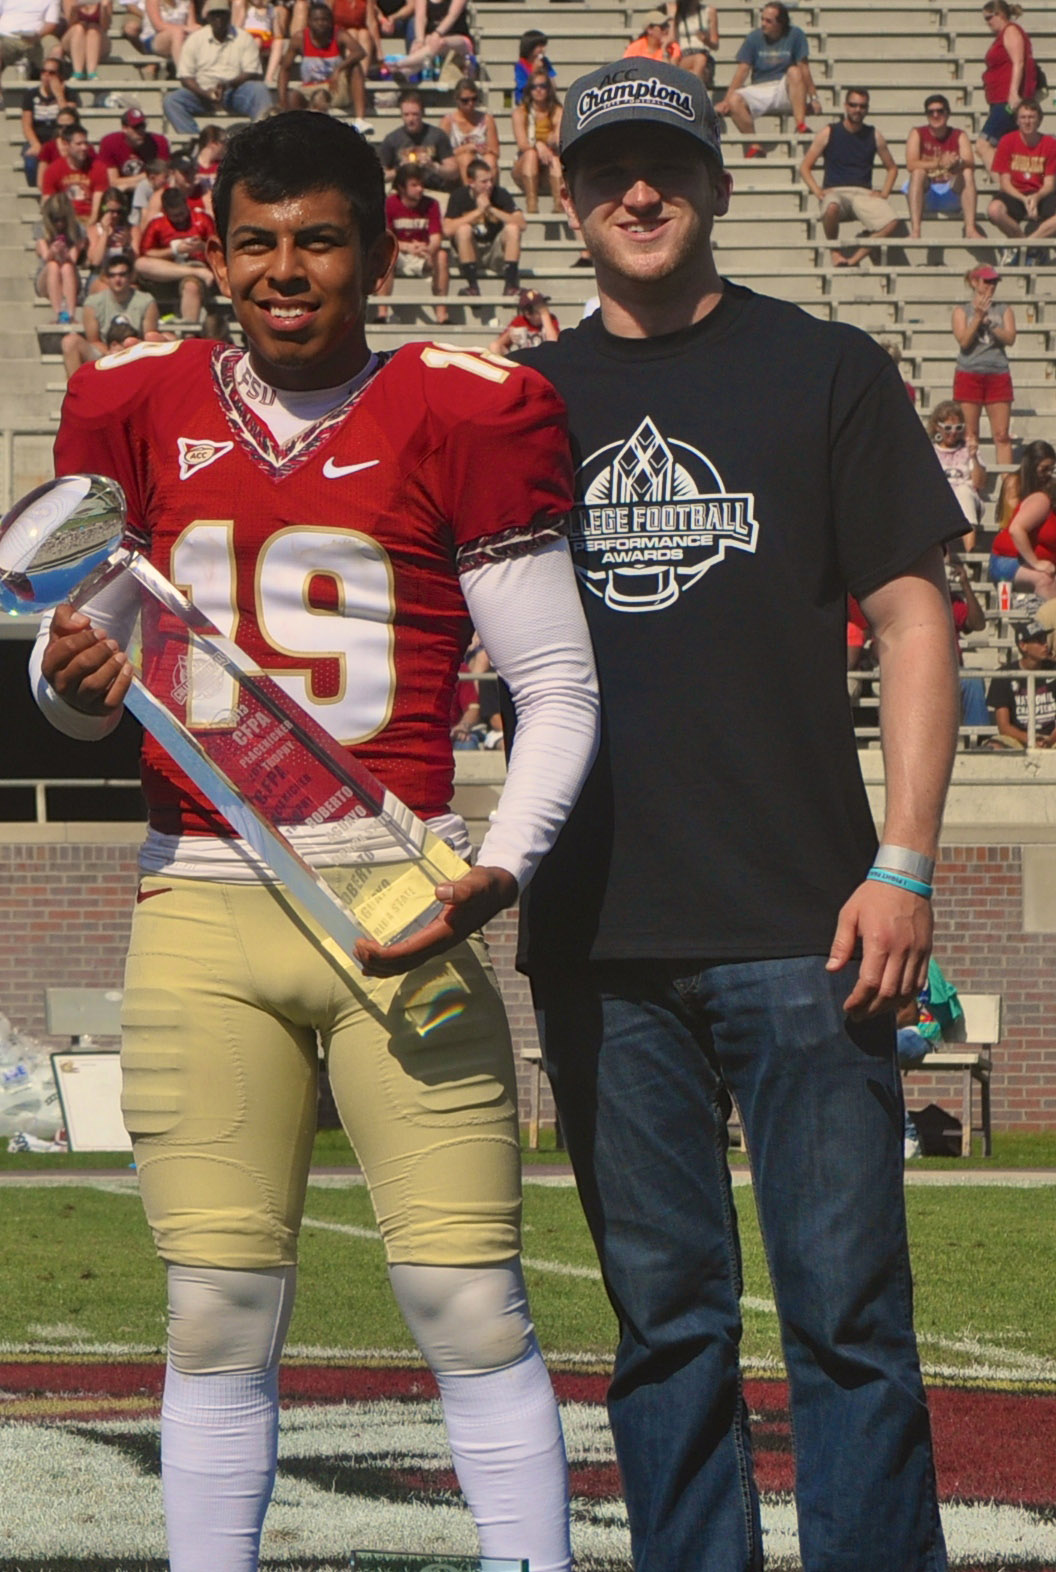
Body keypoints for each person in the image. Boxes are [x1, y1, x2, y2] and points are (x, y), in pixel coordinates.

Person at [33, 108, 595, 1572]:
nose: (286, 271)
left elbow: (557, 685)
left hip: (397, 889)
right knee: (215, 1310)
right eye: (258, 244)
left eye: (319, 242)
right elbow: (82, 687)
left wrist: (500, 867)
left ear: (376, 256)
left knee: (467, 1299)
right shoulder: (139, 402)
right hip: (199, 897)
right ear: (215, 259)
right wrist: (68, 676)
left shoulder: (462, 410)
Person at [517, 58, 961, 1571]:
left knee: (848, 1320)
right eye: (607, 169)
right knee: (663, 1331)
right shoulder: (524, 403)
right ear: (567, 195)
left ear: (715, 182)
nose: (637, 192)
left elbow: (912, 619)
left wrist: (904, 863)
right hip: (597, 931)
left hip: (810, 924)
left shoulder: (826, 368)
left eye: (665, 165)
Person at [800, 88, 903, 266]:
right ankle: (835, 251)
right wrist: (818, 192)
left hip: (863, 193)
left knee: (892, 222)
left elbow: (892, 168)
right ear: (846, 106)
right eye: (853, 105)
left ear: (867, 109)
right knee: (831, 206)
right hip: (836, 192)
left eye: (862, 106)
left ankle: (855, 258)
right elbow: (805, 167)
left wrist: (884, 193)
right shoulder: (829, 132)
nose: (857, 110)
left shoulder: (874, 135)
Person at [720, 2, 818, 145]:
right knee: (734, 100)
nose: (763, 24)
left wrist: (813, 97)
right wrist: (726, 100)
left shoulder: (796, 35)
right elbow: (742, 70)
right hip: (761, 87)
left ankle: (800, 125)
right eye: (762, 19)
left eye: (768, 21)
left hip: (784, 89)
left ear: (780, 23)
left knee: (794, 71)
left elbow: (804, 67)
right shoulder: (754, 37)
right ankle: (754, 144)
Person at [167, 0, 268, 135]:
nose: (218, 19)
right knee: (172, 100)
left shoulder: (243, 38)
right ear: (208, 17)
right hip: (202, 93)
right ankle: (194, 140)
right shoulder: (195, 39)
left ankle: (260, 137)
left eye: (222, 14)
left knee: (259, 90)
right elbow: (185, 76)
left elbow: (251, 72)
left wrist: (227, 85)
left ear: (229, 16)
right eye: (214, 15)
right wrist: (205, 93)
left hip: (234, 91)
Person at [953, 263, 1016, 468]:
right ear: (975, 282)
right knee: (970, 434)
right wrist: (978, 318)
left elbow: (1010, 338)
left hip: (998, 372)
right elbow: (964, 341)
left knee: (1002, 434)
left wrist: (990, 323)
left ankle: (1006, 480)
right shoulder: (962, 311)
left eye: (994, 282)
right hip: (969, 372)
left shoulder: (1004, 309)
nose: (991, 286)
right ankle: (973, 476)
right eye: (987, 281)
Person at [377, 163, 449, 322]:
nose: (420, 189)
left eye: (421, 185)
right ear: (401, 187)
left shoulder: (432, 204)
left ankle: (441, 314)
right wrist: (407, 247)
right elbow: (385, 236)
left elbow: (436, 237)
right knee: (385, 254)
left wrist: (429, 249)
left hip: (423, 253)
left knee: (442, 256)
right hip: (397, 252)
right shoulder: (390, 204)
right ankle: (382, 313)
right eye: (414, 185)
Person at [443, 157, 523, 296]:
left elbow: (522, 223)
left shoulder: (501, 194)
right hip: (470, 251)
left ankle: (510, 285)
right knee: (463, 230)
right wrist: (478, 211)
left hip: (494, 251)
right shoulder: (459, 196)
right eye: (484, 182)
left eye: (491, 180)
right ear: (471, 182)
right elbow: (447, 229)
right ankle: (472, 287)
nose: (489, 185)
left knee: (513, 229)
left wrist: (491, 209)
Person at [907, 94, 982, 238]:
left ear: (948, 113)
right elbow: (911, 164)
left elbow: (970, 162)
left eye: (940, 111)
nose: (935, 115)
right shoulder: (917, 133)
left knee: (967, 172)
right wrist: (939, 162)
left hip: (951, 192)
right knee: (917, 173)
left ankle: (970, 229)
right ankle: (916, 231)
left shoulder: (959, 135)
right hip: (927, 193)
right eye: (931, 112)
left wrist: (957, 163)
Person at [136, 184, 215, 320]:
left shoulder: (202, 219)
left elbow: (218, 248)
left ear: (186, 205)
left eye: (182, 213)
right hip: (165, 271)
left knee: (191, 287)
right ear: (165, 212)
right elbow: (146, 252)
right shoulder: (157, 224)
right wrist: (174, 250)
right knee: (140, 264)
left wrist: (202, 246)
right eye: (174, 216)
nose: (180, 219)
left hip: (195, 264)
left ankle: (189, 329)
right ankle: (196, 272)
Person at [989, 438, 1056, 594]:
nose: (1048, 474)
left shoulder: (1045, 493)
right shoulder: (1018, 484)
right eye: (1044, 469)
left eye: (1051, 469)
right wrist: (1035, 562)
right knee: (1045, 579)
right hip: (1011, 557)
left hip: (1033, 554)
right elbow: (1015, 527)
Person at [988, 97, 1056, 244]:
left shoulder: (1050, 144)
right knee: (994, 210)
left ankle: (1029, 244)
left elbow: (1049, 184)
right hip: (1015, 193)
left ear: (1039, 120)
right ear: (1017, 121)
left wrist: (1036, 198)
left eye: (1031, 117)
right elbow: (1004, 183)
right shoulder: (1007, 141)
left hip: (1041, 193)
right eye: (1023, 117)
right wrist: (1024, 199)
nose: (1027, 121)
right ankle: (1021, 242)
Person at [281, 1, 363, 117]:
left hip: (334, 89)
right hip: (309, 88)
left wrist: (338, 69)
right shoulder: (300, 38)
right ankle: (295, 125)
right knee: (292, 96)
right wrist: (282, 100)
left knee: (355, 67)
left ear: (330, 21)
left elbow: (359, 52)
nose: (320, 23)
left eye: (324, 20)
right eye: (316, 20)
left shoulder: (339, 35)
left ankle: (360, 119)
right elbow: (285, 69)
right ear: (309, 21)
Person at [928, 399, 989, 540]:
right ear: (937, 427)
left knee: (964, 492)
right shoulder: (930, 451)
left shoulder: (969, 449)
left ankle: (970, 550)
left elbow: (979, 484)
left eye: (958, 427)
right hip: (941, 499)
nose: (953, 432)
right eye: (948, 428)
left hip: (968, 499)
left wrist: (973, 457)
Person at [0, 0, 63, 112]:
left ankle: (50, 94)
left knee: (56, 49)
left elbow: (51, 23)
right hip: (7, 37)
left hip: (38, 37)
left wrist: (37, 35)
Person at [989, 619, 1056, 746]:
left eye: (1045, 639)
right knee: (994, 746)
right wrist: (1030, 740)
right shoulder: (1003, 675)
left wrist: (1049, 741)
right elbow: (1004, 727)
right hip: (1018, 738)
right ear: (1023, 645)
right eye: (1039, 640)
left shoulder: (1054, 670)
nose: (1045, 644)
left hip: (1052, 738)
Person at [983, 0, 1039, 143]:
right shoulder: (1003, 34)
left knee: (984, 144)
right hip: (999, 98)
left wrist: (1013, 92)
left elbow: (1018, 62)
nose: (987, 23)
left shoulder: (1010, 31)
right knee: (1005, 144)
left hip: (1006, 101)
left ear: (1000, 14)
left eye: (989, 18)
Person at [380, 91, 458, 192]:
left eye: (415, 114)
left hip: (433, 190)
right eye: (406, 115)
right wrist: (400, 169)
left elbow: (454, 172)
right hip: (403, 192)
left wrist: (433, 166)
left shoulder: (437, 135)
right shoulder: (392, 139)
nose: (411, 119)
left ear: (422, 113)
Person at [21, 57, 80, 184]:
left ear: (60, 76)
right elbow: (26, 125)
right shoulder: (31, 95)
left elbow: (70, 119)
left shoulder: (69, 94)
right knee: (30, 162)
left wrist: (59, 95)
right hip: (38, 138)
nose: (46, 75)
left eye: (52, 73)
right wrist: (35, 144)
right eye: (44, 71)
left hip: (60, 139)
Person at [512, 69, 563, 213]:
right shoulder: (520, 112)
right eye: (534, 87)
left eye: (543, 86)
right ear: (529, 90)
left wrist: (551, 141)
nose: (538, 90)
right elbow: (523, 144)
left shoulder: (557, 111)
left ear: (548, 89)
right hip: (525, 167)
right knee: (530, 155)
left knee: (555, 159)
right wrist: (539, 145)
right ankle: (532, 204)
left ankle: (559, 204)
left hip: (548, 167)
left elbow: (559, 138)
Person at [34, 190, 87, 323]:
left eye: (62, 219)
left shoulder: (78, 229)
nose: (59, 223)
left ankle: (71, 315)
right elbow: (45, 256)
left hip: (69, 272)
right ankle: (58, 314)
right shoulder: (41, 228)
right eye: (55, 219)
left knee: (67, 267)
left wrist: (65, 253)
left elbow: (73, 259)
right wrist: (52, 251)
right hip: (46, 276)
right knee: (53, 265)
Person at [41, 124, 103, 219]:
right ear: (66, 144)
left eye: (85, 143)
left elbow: (97, 209)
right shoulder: (53, 169)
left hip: (89, 218)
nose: (84, 147)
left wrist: (89, 224)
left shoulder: (98, 167)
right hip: (64, 219)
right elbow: (48, 201)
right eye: (79, 144)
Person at [491, 285, 558, 352]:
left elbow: (554, 345)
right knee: (494, 346)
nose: (545, 310)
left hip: (545, 356)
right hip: (524, 356)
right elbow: (497, 345)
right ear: (528, 314)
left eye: (544, 306)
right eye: (540, 309)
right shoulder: (519, 321)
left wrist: (545, 315)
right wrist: (508, 335)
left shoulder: (550, 319)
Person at [667, 0, 719, 83]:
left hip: (704, 57)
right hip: (683, 56)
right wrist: (672, 17)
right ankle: (694, 87)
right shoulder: (677, 13)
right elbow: (671, 38)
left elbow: (715, 45)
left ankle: (691, 87)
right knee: (699, 60)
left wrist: (706, 41)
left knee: (700, 61)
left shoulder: (709, 11)